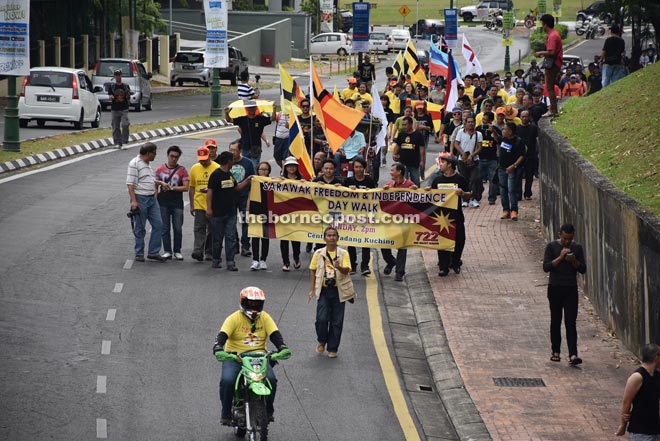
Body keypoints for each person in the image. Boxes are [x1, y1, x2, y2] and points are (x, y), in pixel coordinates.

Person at [213, 286, 291, 424]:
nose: (254, 307)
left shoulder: (265, 317)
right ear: (243, 302)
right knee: (228, 381)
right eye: (250, 303)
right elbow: (222, 336)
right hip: (236, 358)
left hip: (259, 358)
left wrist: (282, 347)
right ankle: (226, 414)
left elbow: (275, 335)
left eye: (257, 303)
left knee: (271, 381)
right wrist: (218, 348)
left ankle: (268, 412)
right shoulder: (233, 318)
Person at [542, 224, 587, 366]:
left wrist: (574, 261)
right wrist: (561, 257)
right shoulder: (551, 247)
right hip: (555, 287)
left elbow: (583, 269)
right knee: (556, 320)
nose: (567, 241)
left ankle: (573, 354)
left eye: (570, 239)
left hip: (570, 288)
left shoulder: (577, 248)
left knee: (570, 322)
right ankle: (555, 351)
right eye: (565, 238)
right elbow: (546, 267)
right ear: (560, 235)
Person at [308, 226, 354, 358]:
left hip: (339, 291)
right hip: (323, 291)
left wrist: (339, 266)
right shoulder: (318, 254)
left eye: (334, 235)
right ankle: (322, 340)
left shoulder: (344, 254)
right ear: (324, 238)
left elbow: (347, 271)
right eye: (329, 235)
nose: (331, 237)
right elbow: (312, 270)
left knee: (337, 321)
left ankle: (333, 348)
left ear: (338, 238)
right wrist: (312, 289)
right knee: (321, 319)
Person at [206, 151, 253, 271]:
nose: (233, 162)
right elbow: (209, 192)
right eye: (232, 160)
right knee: (217, 239)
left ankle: (230, 262)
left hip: (230, 213)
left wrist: (247, 181)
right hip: (217, 213)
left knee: (231, 238)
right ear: (228, 161)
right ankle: (216, 260)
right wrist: (209, 209)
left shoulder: (230, 175)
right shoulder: (215, 175)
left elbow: (236, 188)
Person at [426, 152, 470, 276]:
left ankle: (455, 263)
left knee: (459, 240)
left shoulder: (460, 179)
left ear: (450, 165)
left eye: (443, 162)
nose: (440, 165)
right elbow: (431, 198)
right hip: (441, 217)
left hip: (456, 215)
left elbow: (470, 194)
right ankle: (443, 266)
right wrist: (427, 191)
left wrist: (463, 193)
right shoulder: (437, 180)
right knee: (442, 240)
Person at [126, 142, 166, 262]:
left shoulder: (147, 164)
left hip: (152, 198)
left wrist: (160, 183)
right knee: (140, 227)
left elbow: (148, 179)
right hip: (140, 198)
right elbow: (130, 184)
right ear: (148, 153)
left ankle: (153, 252)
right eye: (154, 153)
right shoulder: (135, 163)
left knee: (158, 224)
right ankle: (139, 252)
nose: (155, 155)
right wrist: (134, 201)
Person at [380, 163, 417, 282]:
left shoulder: (410, 185)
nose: (390, 172)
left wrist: (416, 191)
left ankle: (399, 272)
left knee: (402, 246)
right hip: (390, 221)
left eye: (392, 170)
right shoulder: (389, 185)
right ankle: (391, 262)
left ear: (399, 172)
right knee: (384, 244)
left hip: (404, 221)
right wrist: (383, 191)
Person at [615, 343, 660, 439]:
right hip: (640, 430)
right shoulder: (637, 377)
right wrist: (623, 425)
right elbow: (626, 402)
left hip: (655, 428)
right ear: (656, 358)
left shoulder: (657, 376)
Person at [154, 145, 189, 260]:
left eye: (176, 157)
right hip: (162, 202)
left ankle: (177, 250)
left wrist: (172, 188)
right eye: (172, 156)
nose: (173, 159)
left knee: (178, 228)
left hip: (177, 203)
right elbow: (154, 184)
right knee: (165, 227)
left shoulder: (182, 170)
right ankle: (167, 250)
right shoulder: (159, 169)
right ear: (168, 156)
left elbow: (186, 187)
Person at [344, 157, 376, 275]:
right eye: (356, 167)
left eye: (360, 167)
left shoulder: (369, 181)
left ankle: (365, 266)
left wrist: (369, 192)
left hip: (365, 216)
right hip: (351, 216)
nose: (358, 169)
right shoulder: (348, 181)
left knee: (365, 242)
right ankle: (352, 264)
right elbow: (340, 196)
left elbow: (376, 197)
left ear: (364, 168)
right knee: (351, 241)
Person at [188, 145, 220, 262]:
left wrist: (210, 189)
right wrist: (192, 204)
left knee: (212, 229)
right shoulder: (194, 168)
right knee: (199, 227)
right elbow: (192, 187)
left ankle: (209, 251)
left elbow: (221, 186)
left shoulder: (217, 168)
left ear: (210, 157)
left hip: (213, 203)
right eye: (201, 160)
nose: (203, 162)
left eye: (205, 159)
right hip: (199, 203)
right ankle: (198, 250)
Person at [224, 102, 275, 170]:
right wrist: (226, 113)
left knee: (254, 168)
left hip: (256, 148)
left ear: (256, 108)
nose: (251, 109)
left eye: (253, 107)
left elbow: (272, 118)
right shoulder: (242, 119)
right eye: (249, 108)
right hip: (245, 147)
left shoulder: (260, 119)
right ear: (246, 109)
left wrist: (274, 109)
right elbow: (229, 120)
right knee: (245, 167)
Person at [228, 140, 255, 257]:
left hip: (244, 197)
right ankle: (234, 245)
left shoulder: (248, 163)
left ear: (240, 151)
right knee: (231, 222)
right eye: (231, 150)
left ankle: (245, 246)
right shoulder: (227, 163)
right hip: (230, 197)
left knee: (245, 221)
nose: (233, 152)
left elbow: (253, 180)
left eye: (235, 150)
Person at [535, 14, 563, 117]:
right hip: (555, 62)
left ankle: (553, 110)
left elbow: (551, 52)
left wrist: (540, 52)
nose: (542, 27)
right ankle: (553, 109)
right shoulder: (554, 34)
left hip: (553, 64)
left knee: (549, 87)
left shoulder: (552, 36)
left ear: (546, 24)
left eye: (542, 24)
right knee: (550, 86)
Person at [453, 115, 483, 208]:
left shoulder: (478, 134)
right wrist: (463, 154)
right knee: (464, 180)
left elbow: (480, 147)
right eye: (468, 122)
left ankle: (473, 198)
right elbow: (456, 144)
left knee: (474, 179)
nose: (470, 123)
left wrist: (472, 155)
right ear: (465, 123)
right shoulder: (460, 132)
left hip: (474, 161)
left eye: (472, 122)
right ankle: (465, 199)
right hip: (462, 161)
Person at [280, 157, 304, 271]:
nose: (291, 167)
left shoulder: (301, 180)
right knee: (284, 239)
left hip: (297, 214)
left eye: (293, 165)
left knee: (295, 238)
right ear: (285, 167)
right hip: (283, 214)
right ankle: (286, 262)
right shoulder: (281, 180)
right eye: (289, 165)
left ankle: (296, 257)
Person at [497, 122, 525, 221]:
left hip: (512, 170)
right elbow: (497, 139)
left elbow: (522, 156)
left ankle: (514, 210)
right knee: (502, 190)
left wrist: (514, 166)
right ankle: (506, 210)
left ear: (510, 131)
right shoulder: (503, 139)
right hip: (501, 168)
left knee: (511, 190)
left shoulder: (518, 141)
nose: (503, 131)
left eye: (505, 129)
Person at [249, 161, 272, 271]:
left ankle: (263, 259)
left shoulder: (272, 182)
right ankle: (255, 260)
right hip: (255, 210)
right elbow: (249, 196)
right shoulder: (254, 181)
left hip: (268, 211)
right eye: (261, 169)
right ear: (257, 170)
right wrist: (248, 211)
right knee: (255, 236)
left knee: (265, 236)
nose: (263, 171)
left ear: (269, 171)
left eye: (265, 169)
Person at [392, 116, 425, 187]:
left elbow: (421, 149)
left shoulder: (418, 135)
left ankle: (416, 196)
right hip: (403, 163)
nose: (403, 127)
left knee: (416, 182)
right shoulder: (401, 135)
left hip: (414, 163)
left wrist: (422, 161)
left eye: (405, 125)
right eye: (402, 125)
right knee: (403, 182)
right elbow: (398, 146)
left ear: (410, 124)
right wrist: (394, 154)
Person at [476, 111, 501, 205]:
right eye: (483, 119)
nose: (484, 121)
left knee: (493, 180)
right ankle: (477, 196)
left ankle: (492, 198)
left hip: (492, 159)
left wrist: (493, 131)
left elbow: (498, 140)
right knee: (477, 179)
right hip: (480, 158)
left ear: (490, 121)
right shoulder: (478, 129)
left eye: (486, 120)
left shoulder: (495, 129)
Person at [517, 110, 539, 200]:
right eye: (523, 116)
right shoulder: (517, 128)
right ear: (520, 117)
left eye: (526, 116)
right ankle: (518, 194)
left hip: (530, 155)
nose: (524, 118)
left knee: (529, 176)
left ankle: (528, 193)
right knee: (518, 176)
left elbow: (537, 140)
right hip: (519, 156)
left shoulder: (533, 128)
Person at [109, 69, 131, 147]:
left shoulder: (125, 86)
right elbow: (110, 95)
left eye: (119, 75)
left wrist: (128, 95)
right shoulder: (112, 86)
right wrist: (111, 97)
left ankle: (124, 141)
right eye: (116, 75)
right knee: (115, 126)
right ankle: (117, 142)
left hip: (124, 108)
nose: (118, 77)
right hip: (115, 108)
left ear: (121, 76)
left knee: (125, 124)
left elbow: (128, 96)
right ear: (114, 76)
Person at [601, 24, 627, 88]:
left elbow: (604, 51)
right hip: (617, 62)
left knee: (606, 79)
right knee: (615, 79)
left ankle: (604, 92)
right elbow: (622, 52)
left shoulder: (608, 40)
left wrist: (601, 60)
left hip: (608, 62)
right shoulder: (622, 41)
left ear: (611, 31)